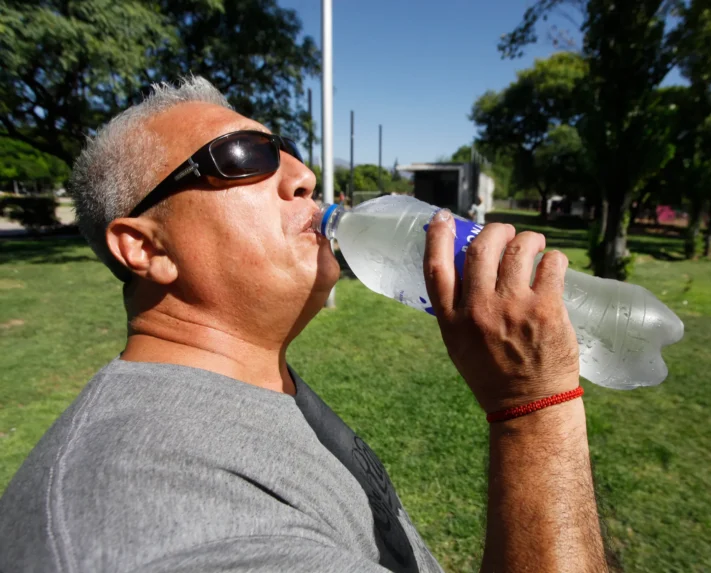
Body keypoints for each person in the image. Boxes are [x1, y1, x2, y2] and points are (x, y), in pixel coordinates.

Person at [0, 77, 607, 573]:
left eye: (284, 148)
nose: (303, 175)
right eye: (244, 156)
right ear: (145, 248)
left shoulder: (250, 389)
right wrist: (535, 408)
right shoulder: (149, 516)